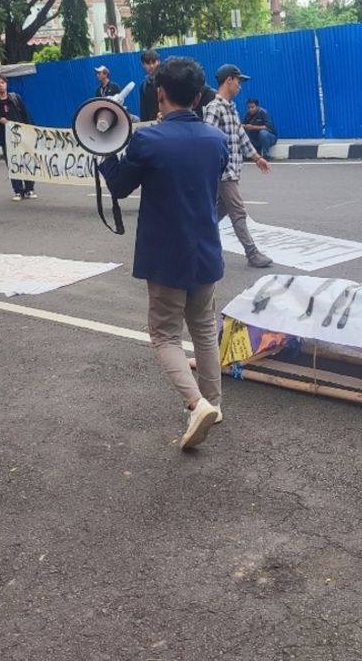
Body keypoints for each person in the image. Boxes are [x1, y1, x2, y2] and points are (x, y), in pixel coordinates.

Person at [98, 58, 229, 450]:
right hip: (206, 252)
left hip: (166, 258)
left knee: (164, 335)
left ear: (160, 94)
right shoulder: (215, 139)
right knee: (204, 331)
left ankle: (196, 403)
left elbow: (120, 186)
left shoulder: (148, 140)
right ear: (197, 95)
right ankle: (214, 404)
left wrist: (105, 153)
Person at [203, 63, 274, 269]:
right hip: (223, 172)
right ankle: (252, 254)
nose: (240, 86)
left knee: (215, 213)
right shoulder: (214, 108)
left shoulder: (231, 108)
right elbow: (207, 139)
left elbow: (240, 135)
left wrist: (256, 157)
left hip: (232, 170)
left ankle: (193, 240)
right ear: (228, 80)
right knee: (238, 212)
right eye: (238, 81)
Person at [0, 74, 35, 201]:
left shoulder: (15, 98)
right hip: (6, 138)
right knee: (13, 164)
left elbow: (26, 115)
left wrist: (31, 131)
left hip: (22, 136)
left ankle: (29, 189)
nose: (1, 85)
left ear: (6, 84)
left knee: (26, 161)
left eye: (3, 82)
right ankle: (18, 190)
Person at [137, 49, 159, 121]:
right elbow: (143, 110)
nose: (151, 66)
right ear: (143, 65)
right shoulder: (144, 86)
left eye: (153, 62)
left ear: (158, 62)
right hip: (152, 125)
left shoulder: (167, 80)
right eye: (148, 63)